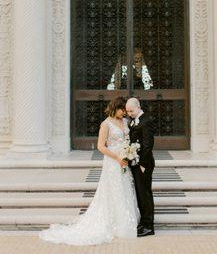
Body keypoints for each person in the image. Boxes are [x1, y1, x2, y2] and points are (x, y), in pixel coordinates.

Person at [39, 97, 140, 246]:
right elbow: (101, 146)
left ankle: (126, 221)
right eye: (122, 110)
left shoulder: (125, 122)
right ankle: (115, 222)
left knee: (125, 188)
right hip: (113, 162)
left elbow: (128, 139)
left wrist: (128, 153)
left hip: (124, 160)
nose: (124, 113)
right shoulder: (106, 124)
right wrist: (117, 157)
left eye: (125, 110)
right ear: (115, 108)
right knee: (114, 189)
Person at [126, 97, 155, 237]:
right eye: (127, 111)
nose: (129, 113)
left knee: (145, 195)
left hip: (144, 164)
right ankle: (143, 223)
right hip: (135, 163)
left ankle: (149, 226)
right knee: (140, 195)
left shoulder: (146, 121)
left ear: (138, 107)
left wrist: (143, 164)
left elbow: (148, 145)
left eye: (131, 111)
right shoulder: (133, 121)